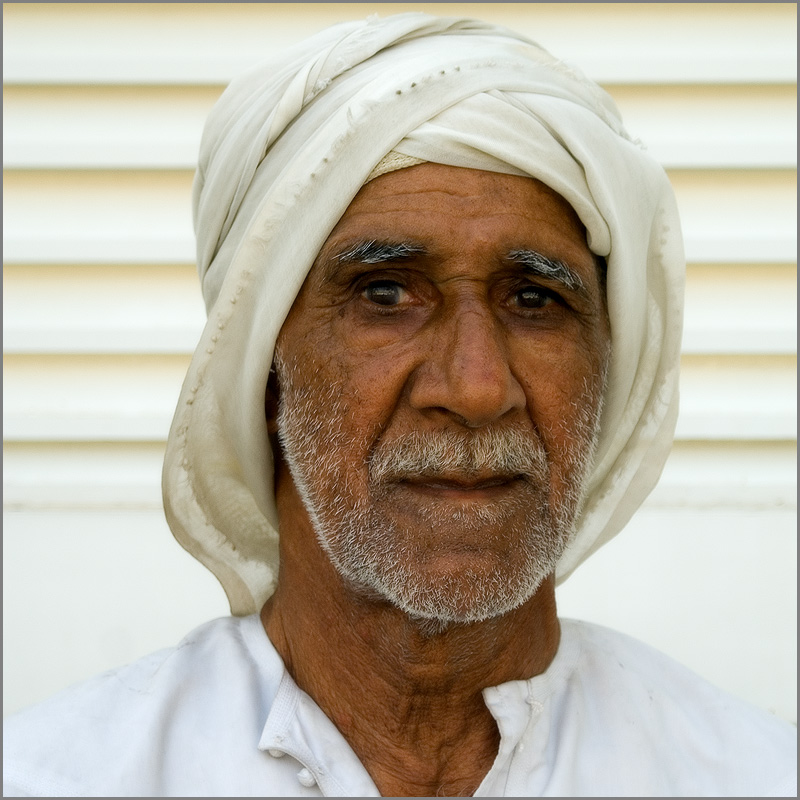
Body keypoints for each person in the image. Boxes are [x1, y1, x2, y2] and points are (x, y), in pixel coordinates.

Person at [3, 13, 795, 798]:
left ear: (607, 373)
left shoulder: (751, 776)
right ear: (266, 375)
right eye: (385, 295)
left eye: (533, 299)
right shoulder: (57, 777)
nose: (476, 389)